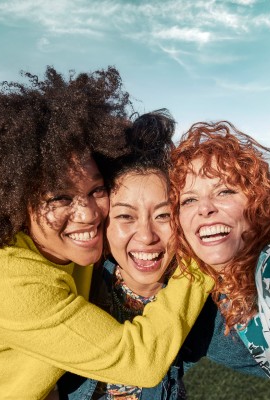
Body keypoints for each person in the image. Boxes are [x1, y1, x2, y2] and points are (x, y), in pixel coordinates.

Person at [0, 67, 212, 400]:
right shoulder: (9, 282)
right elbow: (138, 361)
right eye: (60, 197)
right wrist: (202, 260)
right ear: (16, 201)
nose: (88, 215)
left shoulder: (68, 240)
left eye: (97, 190)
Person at [169, 120, 270, 398]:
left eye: (225, 191)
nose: (206, 209)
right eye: (188, 200)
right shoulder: (210, 293)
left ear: (258, 201)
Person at [59, 109, 186, 399]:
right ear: (102, 222)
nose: (146, 236)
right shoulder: (70, 287)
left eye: (164, 215)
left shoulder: (195, 298)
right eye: (126, 216)